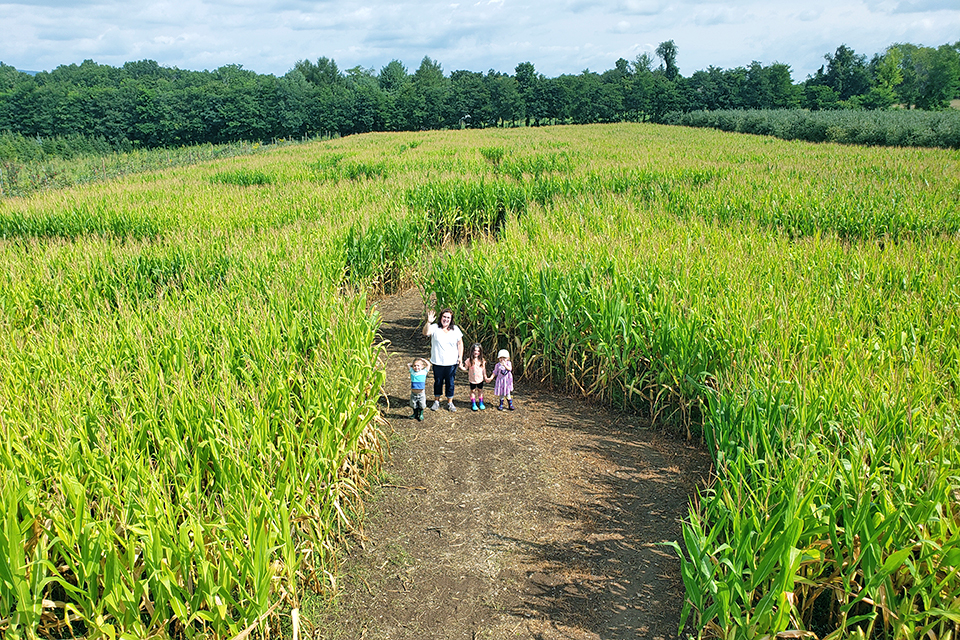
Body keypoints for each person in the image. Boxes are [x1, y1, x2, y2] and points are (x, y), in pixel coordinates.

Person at [423, 307, 464, 411]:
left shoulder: (455, 329)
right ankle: (436, 401)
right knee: (438, 381)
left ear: (451, 319)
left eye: (448, 318)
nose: (446, 319)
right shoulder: (435, 327)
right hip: (438, 361)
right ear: (441, 317)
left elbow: (460, 343)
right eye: (444, 317)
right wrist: (428, 322)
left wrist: (460, 357)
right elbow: (425, 333)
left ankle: (450, 402)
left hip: (451, 362)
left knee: (450, 382)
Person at [459, 343, 489, 411]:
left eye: (478, 351)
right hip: (472, 379)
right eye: (475, 350)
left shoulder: (482, 360)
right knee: (472, 390)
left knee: (480, 390)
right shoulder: (469, 360)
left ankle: (481, 402)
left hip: (480, 379)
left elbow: (484, 369)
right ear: (472, 351)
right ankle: (473, 403)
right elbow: (465, 368)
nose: (476, 352)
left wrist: (485, 377)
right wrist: (461, 367)